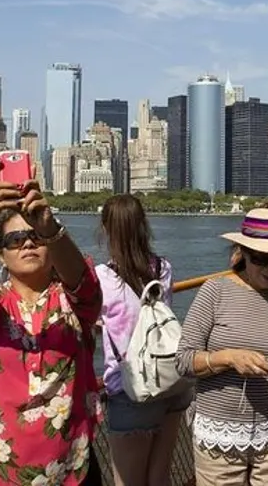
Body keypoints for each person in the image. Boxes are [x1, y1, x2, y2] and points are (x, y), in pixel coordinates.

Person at [0, 167, 103, 486]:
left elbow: (85, 284)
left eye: (36, 237)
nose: (28, 244)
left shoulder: (74, 302)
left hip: (69, 468)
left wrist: (50, 227)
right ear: (1, 256)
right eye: (15, 239)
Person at [176, 208, 268, 486]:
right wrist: (227, 359)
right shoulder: (214, 292)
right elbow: (183, 360)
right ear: (242, 252)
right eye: (261, 259)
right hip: (220, 434)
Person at [95, 195, 190, 486]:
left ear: (106, 229)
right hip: (170, 381)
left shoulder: (100, 277)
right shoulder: (163, 269)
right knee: (159, 476)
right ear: (143, 226)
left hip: (131, 388)